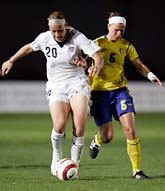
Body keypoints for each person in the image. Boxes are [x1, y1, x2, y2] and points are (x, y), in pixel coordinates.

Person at [1, 11, 104, 178]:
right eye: (54, 31)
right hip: (56, 86)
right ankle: (56, 156)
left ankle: (74, 166)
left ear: (66, 26)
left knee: (79, 127)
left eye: (60, 31)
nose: (57, 34)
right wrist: (11, 60)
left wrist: (96, 67)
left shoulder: (77, 37)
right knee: (60, 125)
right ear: (50, 28)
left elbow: (97, 56)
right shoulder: (45, 38)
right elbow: (29, 47)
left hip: (77, 82)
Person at [89, 12, 163, 179]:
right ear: (109, 27)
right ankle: (98, 140)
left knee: (130, 129)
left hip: (120, 91)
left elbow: (139, 65)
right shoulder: (96, 44)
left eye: (122, 30)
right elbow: (84, 63)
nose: (119, 33)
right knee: (108, 136)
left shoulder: (127, 46)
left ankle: (137, 171)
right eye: (116, 30)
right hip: (99, 93)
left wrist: (150, 75)